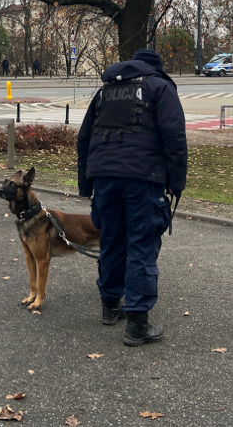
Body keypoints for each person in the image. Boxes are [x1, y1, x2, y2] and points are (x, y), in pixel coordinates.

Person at [77, 48, 187, 347]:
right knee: (141, 245)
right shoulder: (160, 88)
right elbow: (174, 136)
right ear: (155, 68)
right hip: (143, 179)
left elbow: (85, 138)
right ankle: (138, 323)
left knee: (111, 239)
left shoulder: (105, 92)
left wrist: (85, 185)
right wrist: (176, 182)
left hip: (103, 178)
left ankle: (110, 305)